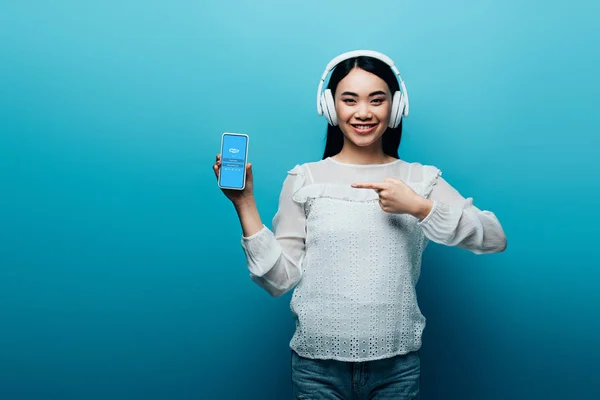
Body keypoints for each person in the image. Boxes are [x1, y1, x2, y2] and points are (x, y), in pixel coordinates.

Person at [213, 50, 507, 400]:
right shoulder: (304, 178)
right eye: (349, 100)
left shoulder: (420, 179)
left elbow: (494, 237)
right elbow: (279, 281)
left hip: (397, 368)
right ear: (329, 106)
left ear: (395, 107)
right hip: (315, 368)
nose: (363, 112)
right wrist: (244, 202)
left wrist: (419, 206)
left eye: (377, 100)